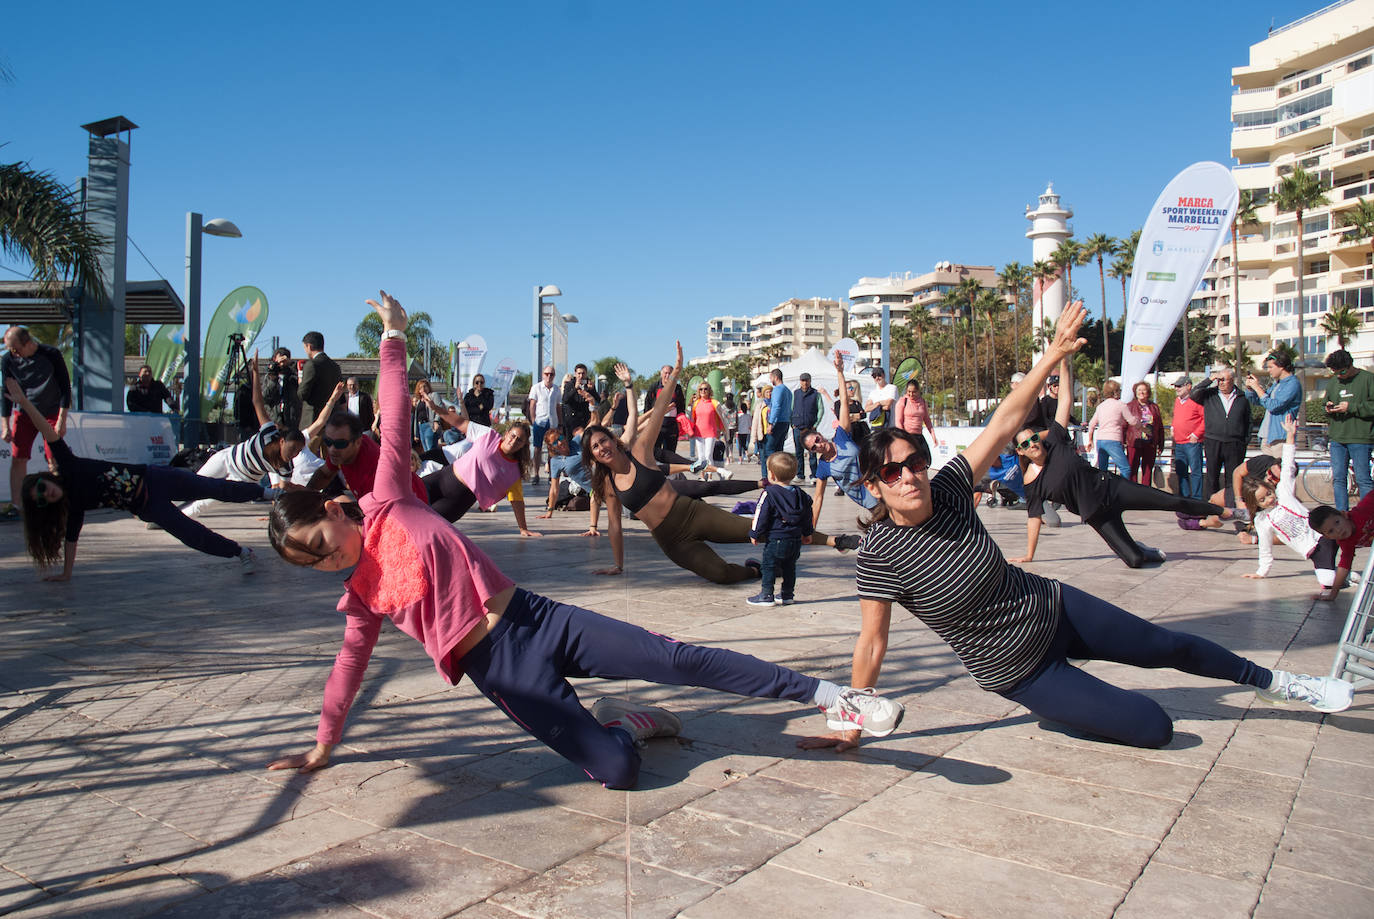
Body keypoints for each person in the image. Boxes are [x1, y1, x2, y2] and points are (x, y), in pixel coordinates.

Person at [265, 291, 904, 788]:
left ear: (332, 511)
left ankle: (833, 697)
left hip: (537, 620)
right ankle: (629, 723)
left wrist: (395, 336)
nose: (330, 559)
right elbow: (348, 669)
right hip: (503, 673)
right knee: (617, 772)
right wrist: (325, 742)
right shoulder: (359, 596)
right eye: (314, 564)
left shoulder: (388, 499)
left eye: (322, 543)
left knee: (678, 659)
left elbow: (397, 411)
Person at [799, 300, 1353, 757]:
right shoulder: (879, 555)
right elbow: (872, 642)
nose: (910, 477)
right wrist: (853, 720)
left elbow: (1005, 420)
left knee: (1172, 646)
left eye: (914, 462)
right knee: (1155, 728)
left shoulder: (947, 489)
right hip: (1018, 668)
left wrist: (1052, 355)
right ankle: (1073, 705)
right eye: (893, 472)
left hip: (1057, 608)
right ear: (874, 486)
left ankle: (1283, 686)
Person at [584, 343, 859, 583]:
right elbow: (615, 526)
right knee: (721, 574)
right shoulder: (609, 484)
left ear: (611, 439)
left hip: (692, 514)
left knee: (758, 531)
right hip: (670, 539)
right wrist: (618, 565)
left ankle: (836, 541)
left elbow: (657, 411)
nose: (601, 448)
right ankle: (758, 571)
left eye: (602, 441)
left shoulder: (640, 452)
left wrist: (676, 373)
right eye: (595, 448)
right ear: (593, 455)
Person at [6, 377, 265, 580]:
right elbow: (71, 539)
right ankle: (242, 552)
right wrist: (66, 574)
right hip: (147, 506)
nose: (45, 494)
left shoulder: (68, 466)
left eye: (41, 487)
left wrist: (25, 403)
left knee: (212, 487)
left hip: (155, 478)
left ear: (45, 478)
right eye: (40, 499)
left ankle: (267, 493)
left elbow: (46, 431)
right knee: (192, 534)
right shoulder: (72, 506)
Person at [1012, 354, 1220, 569]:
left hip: (1112, 488)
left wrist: (1064, 362)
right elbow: (1034, 517)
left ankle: (1221, 511)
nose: (1032, 444)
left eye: (1034, 438)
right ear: (1021, 451)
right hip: (1096, 514)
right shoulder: (1031, 481)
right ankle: (1144, 551)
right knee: (1135, 561)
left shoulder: (1055, 441)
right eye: (1026, 444)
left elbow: (1064, 400)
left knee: (1169, 501)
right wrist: (1029, 554)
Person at [182, 354, 304, 517]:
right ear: (282, 441)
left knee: (205, 503)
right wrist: (255, 373)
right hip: (226, 459)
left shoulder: (286, 467)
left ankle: (173, 520)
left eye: (298, 451)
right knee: (194, 484)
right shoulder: (269, 433)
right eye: (293, 448)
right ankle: (168, 509)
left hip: (242, 481)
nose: (294, 454)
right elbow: (258, 402)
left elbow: (282, 490)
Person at [1240, 416, 1343, 591]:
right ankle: (1350, 578)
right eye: (1262, 500)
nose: (1269, 500)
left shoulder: (1284, 493)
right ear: (1255, 504)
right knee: (1328, 582)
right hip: (1314, 552)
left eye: (1268, 494)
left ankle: (1347, 576)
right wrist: (1261, 571)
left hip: (1325, 536)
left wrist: (1290, 436)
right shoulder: (1262, 521)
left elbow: (1287, 466)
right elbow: (1265, 548)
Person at [422, 402, 540, 537]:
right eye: (513, 436)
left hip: (459, 500)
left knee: (426, 525)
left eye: (519, 440)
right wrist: (436, 408)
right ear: (507, 434)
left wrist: (523, 528)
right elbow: (460, 423)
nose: (513, 441)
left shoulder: (513, 473)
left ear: (524, 445)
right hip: (443, 479)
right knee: (404, 500)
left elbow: (517, 501)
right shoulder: (488, 435)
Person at [800, 352, 881, 524]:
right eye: (813, 448)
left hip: (882, 486)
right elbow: (818, 498)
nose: (818, 446)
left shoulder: (842, 437)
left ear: (820, 435)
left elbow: (844, 402)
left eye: (816, 440)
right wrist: (811, 529)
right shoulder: (824, 467)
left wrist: (840, 372)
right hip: (871, 504)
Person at [2, 326, 71, 517]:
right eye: (9, 349)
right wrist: (5, 425)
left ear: (28, 343)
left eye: (15, 349)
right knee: (18, 458)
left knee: (54, 459)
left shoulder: (51, 354)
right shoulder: (8, 359)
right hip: (25, 413)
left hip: (51, 412)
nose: (12, 353)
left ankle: (60, 504)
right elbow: (5, 392)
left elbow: (65, 387)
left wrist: (61, 420)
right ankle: (17, 507)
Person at [307, 409, 427, 502]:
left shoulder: (373, 471)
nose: (332, 449)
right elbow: (325, 474)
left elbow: (372, 516)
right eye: (328, 442)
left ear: (358, 442)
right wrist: (305, 494)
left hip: (414, 507)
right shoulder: (342, 450)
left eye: (340, 444)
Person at [748, 452, 813, 607]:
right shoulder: (801, 495)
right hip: (795, 539)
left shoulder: (769, 494)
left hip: (776, 539)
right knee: (790, 567)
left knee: (768, 566)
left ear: (772, 475)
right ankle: (787, 594)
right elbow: (807, 515)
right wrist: (808, 532)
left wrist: (755, 533)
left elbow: (761, 515)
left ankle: (766, 594)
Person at [1321, 348, 1374, 511]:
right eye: (1335, 372)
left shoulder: (1368, 379)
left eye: (1342, 372)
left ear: (1351, 366)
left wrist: (1352, 407)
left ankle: (1367, 516)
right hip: (1337, 438)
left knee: (1363, 479)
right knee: (1339, 479)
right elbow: (1325, 403)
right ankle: (1341, 514)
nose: (1339, 376)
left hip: (1360, 438)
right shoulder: (1333, 382)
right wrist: (1328, 408)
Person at [1191, 366, 1251, 498]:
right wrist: (1210, 379)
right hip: (1213, 441)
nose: (1221, 383)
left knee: (1233, 477)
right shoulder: (1210, 394)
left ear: (1232, 380)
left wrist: (1244, 442)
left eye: (1224, 380)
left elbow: (1248, 421)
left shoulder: (1242, 397)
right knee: (1212, 477)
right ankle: (1212, 507)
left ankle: (1231, 505)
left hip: (1235, 444)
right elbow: (1194, 393)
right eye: (1219, 380)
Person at [1309, 491, 1374, 601]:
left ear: (1344, 515)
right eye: (1331, 531)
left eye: (1337, 522)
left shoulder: (1362, 511)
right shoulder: (1345, 541)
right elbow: (1344, 565)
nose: (1338, 530)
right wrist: (1332, 595)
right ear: (1328, 537)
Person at [1245, 352, 1302, 458]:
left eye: (1271, 367)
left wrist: (1257, 388)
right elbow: (1260, 401)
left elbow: (1274, 405)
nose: (1268, 370)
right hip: (1266, 435)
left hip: (1280, 437)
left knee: (1280, 471)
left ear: (1281, 367)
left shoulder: (1292, 384)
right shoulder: (1277, 384)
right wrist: (1250, 389)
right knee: (1269, 473)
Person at [1085, 380, 1135, 476]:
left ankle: (1103, 490)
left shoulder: (1100, 406)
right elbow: (1132, 421)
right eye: (1119, 390)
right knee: (1125, 469)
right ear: (1115, 392)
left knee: (1102, 471)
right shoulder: (1121, 405)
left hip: (1100, 440)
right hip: (1113, 440)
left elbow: (1091, 424)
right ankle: (1123, 490)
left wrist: (1090, 440)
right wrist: (1143, 428)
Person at [1170, 376, 1205, 500]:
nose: (1176, 388)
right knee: (1181, 471)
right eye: (1176, 386)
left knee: (1195, 472)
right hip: (1179, 442)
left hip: (1192, 443)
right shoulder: (1177, 401)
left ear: (1188, 386)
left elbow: (1205, 419)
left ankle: (1196, 499)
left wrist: (1197, 434)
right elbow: (1176, 417)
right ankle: (1184, 498)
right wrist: (1173, 427)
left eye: (1179, 386)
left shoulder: (1196, 401)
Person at [298, 331, 342, 428]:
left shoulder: (311, 365)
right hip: (332, 421)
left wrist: (300, 382)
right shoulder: (335, 367)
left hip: (313, 421)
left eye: (305, 348)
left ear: (309, 346)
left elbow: (302, 394)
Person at [525, 365, 560, 484]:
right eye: (546, 374)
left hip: (553, 423)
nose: (549, 376)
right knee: (537, 448)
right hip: (540, 422)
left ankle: (551, 474)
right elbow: (532, 405)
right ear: (543, 374)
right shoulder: (536, 388)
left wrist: (559, 423)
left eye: (551, 374)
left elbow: (558, 406)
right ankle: (536, 474)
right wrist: (533, 420)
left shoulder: (556, 389)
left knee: (552, 448)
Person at [643, 362, 687, 456]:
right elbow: (648, 404)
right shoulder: (654, 387)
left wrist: (680, 420)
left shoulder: (677, 388)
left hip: (671, 427)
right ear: (661, 374)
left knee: (670, 454)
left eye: (669, 373)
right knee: (655, 453)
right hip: (656, 426)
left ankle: (669, 470)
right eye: (665, 373)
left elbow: (681, 406)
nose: (667, 375)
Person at [1126, 381, 1164, 486]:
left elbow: (1160, 427)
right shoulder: (1129, 406)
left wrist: (1161, 444)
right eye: (1139, 390)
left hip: (1150, 443)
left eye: (1144, 390)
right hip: (1134, 441)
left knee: (1147, 470)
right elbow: (1124, 425)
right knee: (1132, 468)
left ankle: (1146, 493)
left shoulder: (1154, 407)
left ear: (1148, 392)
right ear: (1135, 392)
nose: (1141, 392)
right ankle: (1132, 492)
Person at [759, 369, 792, 484]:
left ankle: (769, 476)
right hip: (785, 422)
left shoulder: (778, 390)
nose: (770, 380)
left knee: (769, 451)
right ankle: (780, 475)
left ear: (775, 377)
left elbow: (776, 407)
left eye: (771, 378)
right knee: (779, 450)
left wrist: (771, 423)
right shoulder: (788, 391)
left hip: (777, 423)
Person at [789, 373, 824, 481]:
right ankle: (800, 475)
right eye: (803, 380)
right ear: (800, 381)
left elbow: (821, 410)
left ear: (810, 381)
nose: (804, 383)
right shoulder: (795, 393)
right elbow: (791, 408)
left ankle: (814, 475)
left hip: (810, 429)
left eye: (806, 380)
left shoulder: (815, 394)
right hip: (798, 427)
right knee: (798, 453)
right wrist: (792, 423)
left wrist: (815, 425)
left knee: (812, 452)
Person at [689, 381, 727, 472]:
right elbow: (692, 419)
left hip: (711, 432)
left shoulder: (714, 403)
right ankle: (703, 476)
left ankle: (709, 476)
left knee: (708, 455)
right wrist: (691, 431)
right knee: (701, 457)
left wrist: (720, 430)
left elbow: (721, 417)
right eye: (701, 389)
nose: (703, 391)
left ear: (709, 390)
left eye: (705, 389)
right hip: (698, 432)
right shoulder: (696, 403)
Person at [262, 347, 302, 429]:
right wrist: (273, 378)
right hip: (275, 418)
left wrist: (291, 364)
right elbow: (265, 397)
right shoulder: (269, 377)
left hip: (291, 419)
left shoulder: (293, 376)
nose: (282, 364)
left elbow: (300, 391)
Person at [561, 363, 600, 437]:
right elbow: (565, 400)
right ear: (575, 374)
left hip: (586, 419)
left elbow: (598, 400)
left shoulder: (589, 384)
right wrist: (575, 388)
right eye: (579, 373)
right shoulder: (569, 385)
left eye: (583, 373)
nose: (581, 376)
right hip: (573, 421)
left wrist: (592, 390)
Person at [833, 379, 869, 444]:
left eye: (852, 387)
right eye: (849, 388)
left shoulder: (856, 403)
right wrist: (856, 416)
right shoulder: (838, 404)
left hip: (860, 432)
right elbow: (840, 417)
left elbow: (863, 415)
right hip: (848, 432)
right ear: (843, 390)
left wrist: (850, 416)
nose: (852, 390)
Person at [735, 396, 751, 461]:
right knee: (744, 443)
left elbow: (737, 423)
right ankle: (746, 453)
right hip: (746, 431)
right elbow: (750, 423)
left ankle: (740, 457)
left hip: (740, 431)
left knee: (740, 445)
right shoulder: (748, 416)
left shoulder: (739, 416)